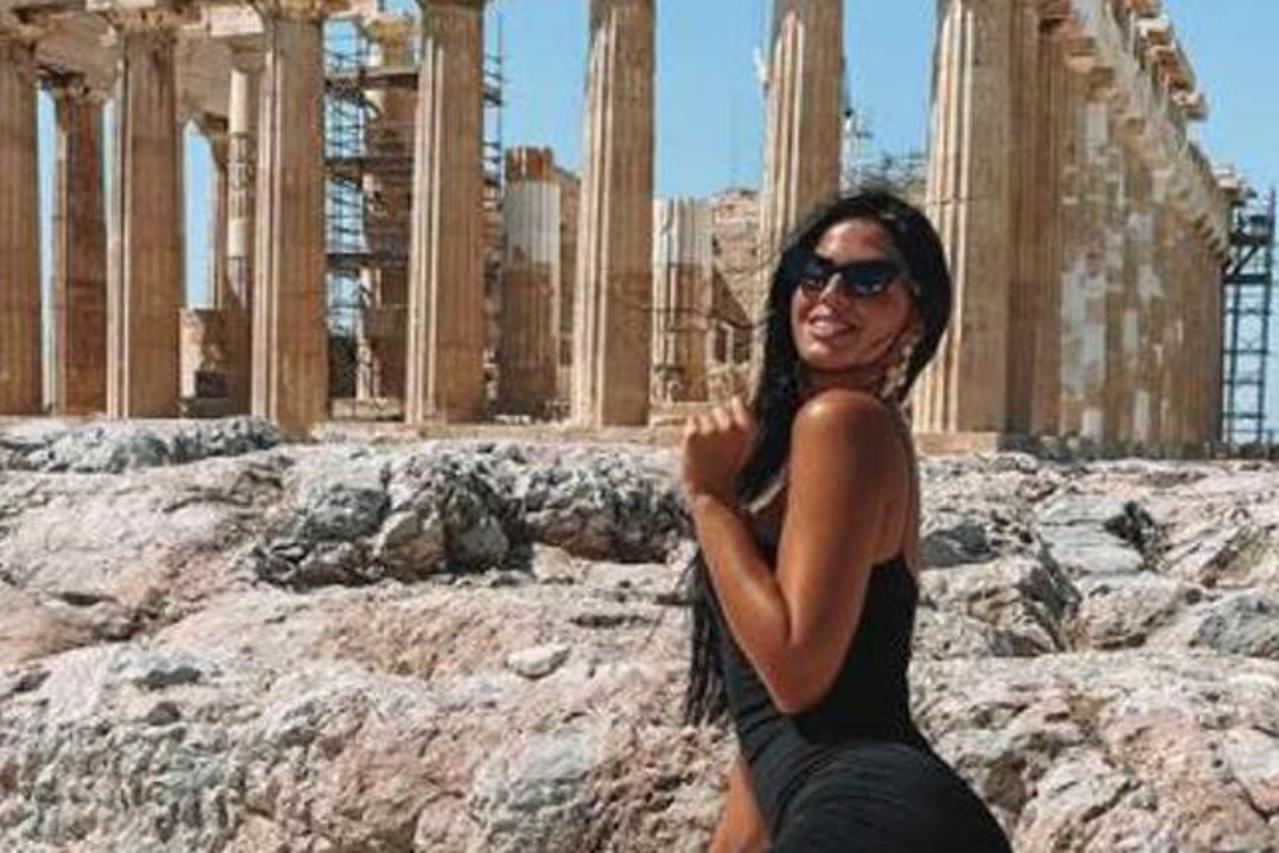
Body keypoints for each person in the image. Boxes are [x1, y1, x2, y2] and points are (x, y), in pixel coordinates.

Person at [678, 189, 1013, 851]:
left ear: (914, 316)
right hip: (864, 807)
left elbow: (797, 673)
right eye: (814, 271)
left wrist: (710, 500)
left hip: (867, 811)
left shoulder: (842, 422)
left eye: (867, 280)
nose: (831, 294)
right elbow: (768, 730)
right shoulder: (837, 434)